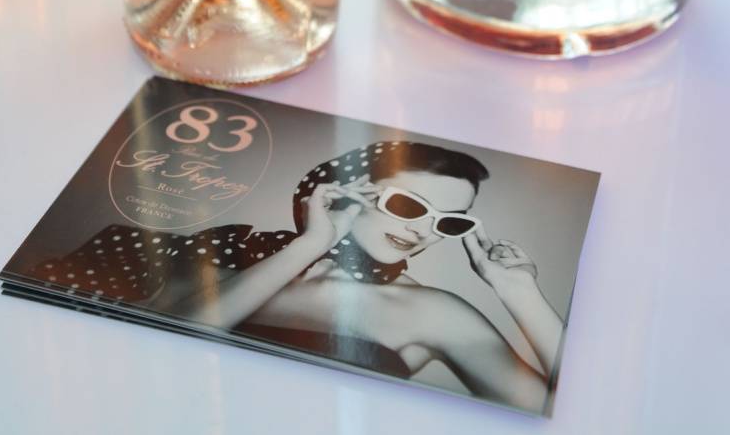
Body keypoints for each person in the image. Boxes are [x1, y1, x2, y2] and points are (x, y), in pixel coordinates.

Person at [34, 140, 562, 412]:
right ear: (352, 189)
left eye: (447, 221)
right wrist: (310, 244)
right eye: (409, 205)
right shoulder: (231, 254)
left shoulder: (435, 313)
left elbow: (557, 412)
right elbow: (162, 339)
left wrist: (520, 293)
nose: (423, 229)